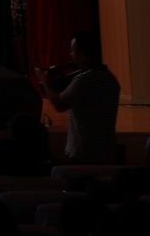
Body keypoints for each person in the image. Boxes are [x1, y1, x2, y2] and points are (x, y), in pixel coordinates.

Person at [42, 30, 121, 164]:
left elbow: (59, 105)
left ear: (84, 54)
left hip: (84, 152)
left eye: (73, 51)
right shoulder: (111, 79)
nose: (71, 55)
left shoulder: (83, 81)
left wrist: (45, 82)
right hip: (107, 150)